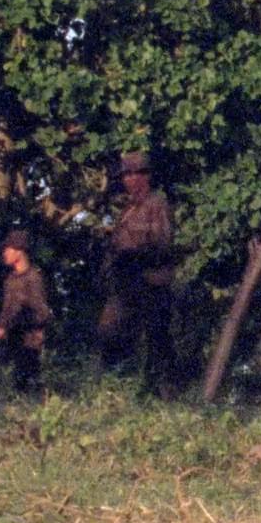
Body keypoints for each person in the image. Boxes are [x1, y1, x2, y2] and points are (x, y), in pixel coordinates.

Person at [97, 151, 174, 383]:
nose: (128, 180)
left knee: (154, 342)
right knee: (110, 331)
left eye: (133, 175)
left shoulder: (156, 204)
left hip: (149, 282)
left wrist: (132, 255)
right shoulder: (128, 209)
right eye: (126, 176)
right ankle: (118, 384)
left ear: (146, 176)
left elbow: (162, 245)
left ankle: (157, 390)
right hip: (126, 283)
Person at [0, 229, 53, 392]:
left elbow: (42, 314)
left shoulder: (33, 278)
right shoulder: (10, 279)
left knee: (29, 386)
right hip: (12, 342)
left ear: (19, 251)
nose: (5, 253)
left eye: (8, 249)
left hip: (29, 344)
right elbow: (7, 308)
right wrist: (2, 325)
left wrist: (17, 324)